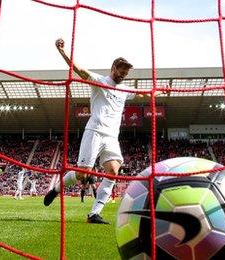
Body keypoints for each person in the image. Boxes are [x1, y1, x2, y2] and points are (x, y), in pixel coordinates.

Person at [43, 38, 164, 224]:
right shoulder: (100, 81)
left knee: (113, 171)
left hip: (111, 137)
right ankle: (56, 189)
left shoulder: (124, 89)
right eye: (121, 71)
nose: (122, 75)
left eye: (125, 73)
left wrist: (158, 91)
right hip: (95, 131)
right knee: (83, 174)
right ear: (113, 68)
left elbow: (144, 93)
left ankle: (94, 213)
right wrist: (62, 51)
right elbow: (80, 71)